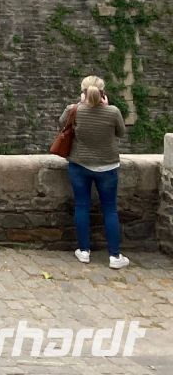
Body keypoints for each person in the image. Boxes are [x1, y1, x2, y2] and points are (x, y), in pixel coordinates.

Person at [62, 75, 129, 268]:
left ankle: (84, 251)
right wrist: (106, 108)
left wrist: (79, 105)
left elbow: (62, 126)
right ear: (102, 93)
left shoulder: (73, 110)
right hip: (107, 166)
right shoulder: (113, 112)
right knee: (110, 209)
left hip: (79, 165)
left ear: (83, 92)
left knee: (82, 206)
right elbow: (120, 133)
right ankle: (115, 257)